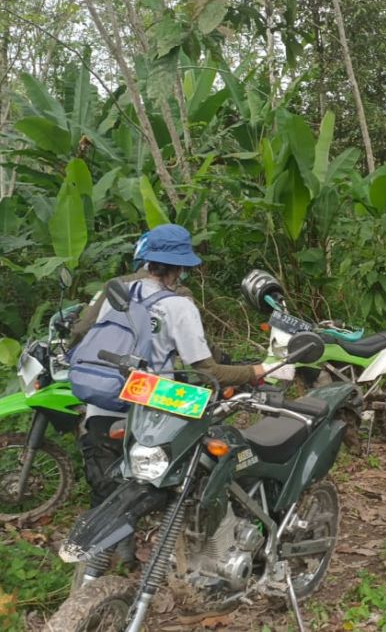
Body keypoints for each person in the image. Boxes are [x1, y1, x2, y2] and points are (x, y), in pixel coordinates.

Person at [73, 224, 276, 561]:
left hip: (102, 401)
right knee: (194, 463)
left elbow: (80, 332)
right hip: (150, 406)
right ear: (181, 267)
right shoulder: (179, 306)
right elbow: (208, 370)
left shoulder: (115, 293)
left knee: (106, 483)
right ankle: (200, 546)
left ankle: (103, 559)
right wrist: (258, 370)